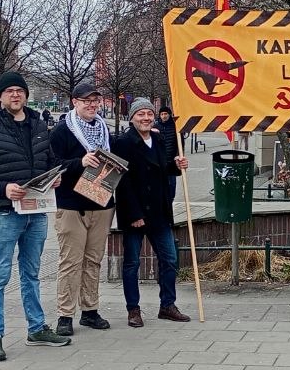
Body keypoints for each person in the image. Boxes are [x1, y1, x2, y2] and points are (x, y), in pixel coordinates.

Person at [0, 71, 70, 362]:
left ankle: (36, 328)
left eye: (19, 90)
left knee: (31, 274)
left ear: (26, 95)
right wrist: (3, 189)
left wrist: (55, 177)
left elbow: (50, 162)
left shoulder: (39, 124)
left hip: (36, 212)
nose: (15, 94)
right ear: (0, 97)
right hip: (3, 213)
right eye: (9, 91)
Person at [112, 98, 189, 327]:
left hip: (159, 211)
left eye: (149, 114)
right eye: (140, 114)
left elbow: (163, 168)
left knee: (169, 259)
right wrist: (134, 214)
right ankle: (133, 309)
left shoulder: (157, 138)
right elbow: (122, 183)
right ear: (132, 117)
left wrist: (176, 165)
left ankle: (167, 305)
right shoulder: (123, 143)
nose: (145, 118)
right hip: (135, 213)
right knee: (132, 263)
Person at [49, 81, 117, 336]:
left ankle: (90, 310)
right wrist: (79, 162)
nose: (92, 105)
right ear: (74, 102)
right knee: (71, 261)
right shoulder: (62, 130)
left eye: (95, 100)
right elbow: (52, 164)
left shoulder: (104, 129)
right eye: (86, 100)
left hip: (101, 203)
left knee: (93, 261)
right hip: (71, 205)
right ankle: (65, 314)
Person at [155, 105, 179, 200]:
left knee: (172, 185)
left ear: (169, 114)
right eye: (162, 114)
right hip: (159, 162)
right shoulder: (156, 127)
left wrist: (178, 155)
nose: (164, 116)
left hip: (171, 161)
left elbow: (180, 143)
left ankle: (170, 201)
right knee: (160, 185)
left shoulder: (175, 126)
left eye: (165, 114)